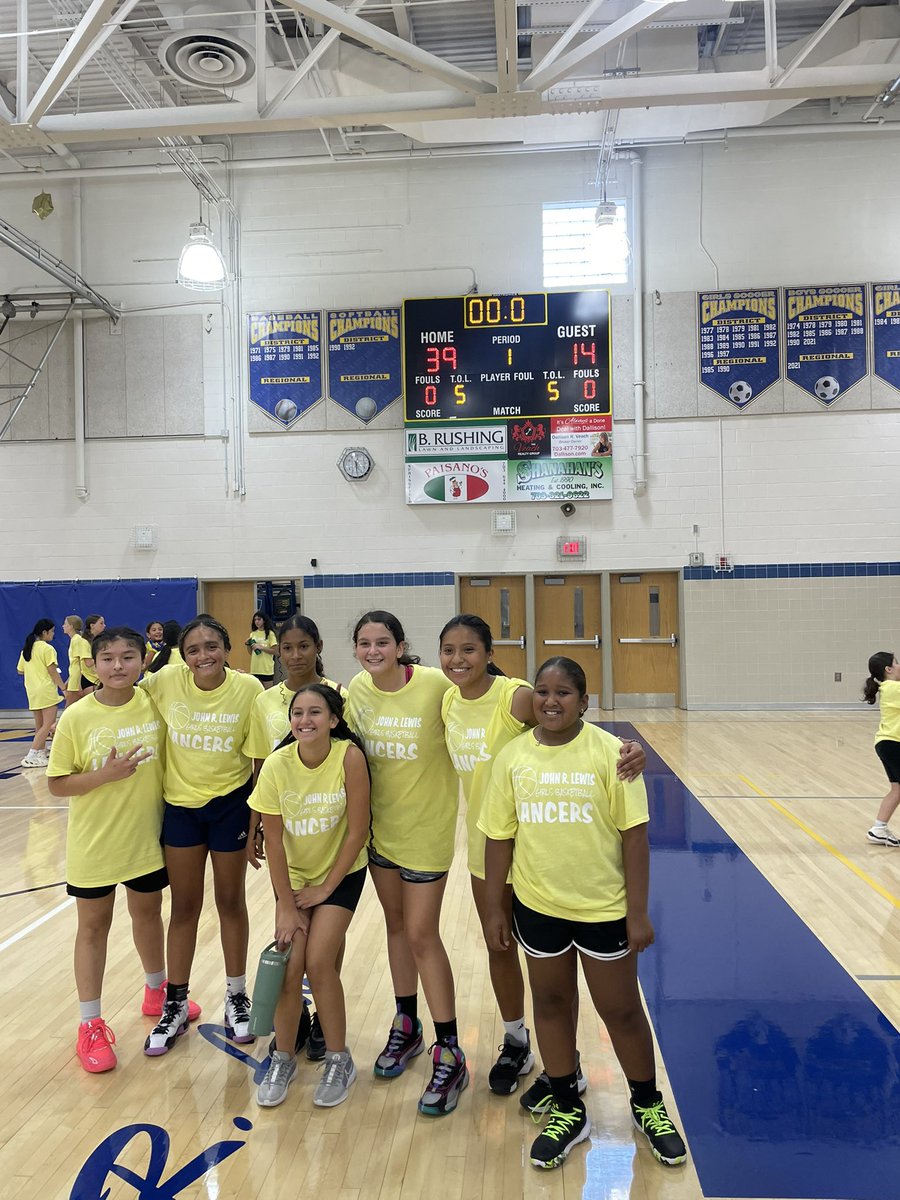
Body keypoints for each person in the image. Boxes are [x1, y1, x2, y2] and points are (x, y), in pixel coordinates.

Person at [479, 657, 686, 1170]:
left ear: (585, 701)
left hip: (603, 909)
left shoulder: (614, 755)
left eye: (564, 692)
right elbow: (497, 840)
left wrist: (637, 913)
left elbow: (634, 839)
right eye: (543, 691)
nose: (552, 701)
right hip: (538, 906)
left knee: (620, 1010)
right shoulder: (512, 758)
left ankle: (647, 1103)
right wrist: (494, 909)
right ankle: (569, 1108)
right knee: (550, 1005)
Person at [438, 615, 646, 1096]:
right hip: (488, 843)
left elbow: (569, 728)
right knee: (502, 947)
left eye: (469, 649)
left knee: (556, 976)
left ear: (490, 652)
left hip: (539, 847)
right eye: (448, 650)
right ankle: (519, 1043)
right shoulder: (446, 698)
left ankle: (570, 1071)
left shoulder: (516, 697)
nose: (457, 659)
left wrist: (631, 752)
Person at [46, 626, 200, 1074]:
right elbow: (56, 783)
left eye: (128, 657)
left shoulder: (153, 703)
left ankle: (156, 991)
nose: (118, 666)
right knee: (93, 929)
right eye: (108, 658)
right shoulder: (77, 716)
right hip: (95, 843)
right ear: (92, 665)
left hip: (145, 838)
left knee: (148, 915)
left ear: (143, 660)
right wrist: (104, 776)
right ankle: (90, 1024)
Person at [346, 610, 468, 1116]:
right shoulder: (357, 690)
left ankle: (451, 1048)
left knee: (422, 934)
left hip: (427, 832)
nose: (373, 651)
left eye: (382, 642)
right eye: (364, 643)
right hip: (381, 833)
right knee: (396, 927)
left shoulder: (437, 685)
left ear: (400, 646)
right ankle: (406, 1025)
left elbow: (497, 699)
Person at [139, 615, 263, 1055]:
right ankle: (175, 1002)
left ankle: (235, 995)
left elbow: (259, 760)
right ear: (182, 655)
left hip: (231, 805)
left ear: (228, 649)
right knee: (185, 906)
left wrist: (257, 819)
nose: (203, 655)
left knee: (231, 901)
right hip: (181, 809)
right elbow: (123, 690)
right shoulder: (167, 680)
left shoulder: (248, 690)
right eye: (193, 649)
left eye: (212, 646)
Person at [251, 684, 370, 1109]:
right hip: (296, 881)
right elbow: (276, 842)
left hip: (342, 875)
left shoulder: (348, 758)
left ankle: (339, 1058)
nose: (305, 720)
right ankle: (282, 1057)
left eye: (315, 712)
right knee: (289, 965)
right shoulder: (277, 766)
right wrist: (286, 904)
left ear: (334, 720)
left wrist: (326, 887)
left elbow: (358, 832)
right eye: (297, 712)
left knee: (319, 962)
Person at [245, 612, 348, 1060]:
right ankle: (298, 1020)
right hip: (287, 830)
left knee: (325, 947)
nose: (295, 655)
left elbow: (349, 758)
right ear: (277, 652)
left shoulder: (340, 695)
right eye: (286, 648)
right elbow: (257, 765)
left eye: (303, 646)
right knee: (292, 932)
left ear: (318, 646)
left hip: (329, 829)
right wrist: (255, 825)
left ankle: (326, 1018)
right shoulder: (266, 702)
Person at [862, 651, 900, 846]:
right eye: (897, 663)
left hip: (887, 744)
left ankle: (879, 829)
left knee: (897, 790)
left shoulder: (889, 687)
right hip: (894, 744)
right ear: (888, 669)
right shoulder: (894, 688)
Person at [17, 618, 65, 767]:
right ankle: (31, 754)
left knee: (40, 725)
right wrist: (63, 687)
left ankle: (41, 753)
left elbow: (20, 670)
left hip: (32, 690)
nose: (53, 634)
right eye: (52, 631)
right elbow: (52, 670)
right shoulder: (47, 649)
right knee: (48, 724)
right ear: (44, 632)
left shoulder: (27, 649)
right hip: (46, 690)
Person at [63, 614, 92, 705]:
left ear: (71, 626)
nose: (63, 626)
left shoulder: (77, 640)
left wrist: (79, 683)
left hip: (76, 681)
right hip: (74, 679)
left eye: (65, 624)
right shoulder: (75, 640)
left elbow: (80, 664)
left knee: (69, 710)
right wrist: (68, 680)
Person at [246, 611, 278, 689]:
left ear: (264, 620)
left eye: (259, 619)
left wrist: (261, 647)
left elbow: (275, 651)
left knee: (268, 693)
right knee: (257, 693)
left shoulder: (270, 634)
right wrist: (247, 645)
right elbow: (251, 653)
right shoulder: (253, 634)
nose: (256, 621)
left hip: (266, 669)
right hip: (255, 669)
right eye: (255, 620)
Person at [80, 615, 106, 692]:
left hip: (99, 678)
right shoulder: (84, 642)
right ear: (92, 625)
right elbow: (88, 663)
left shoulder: (99, 640)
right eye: (101, 623)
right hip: (90, 679)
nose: (104, 626)